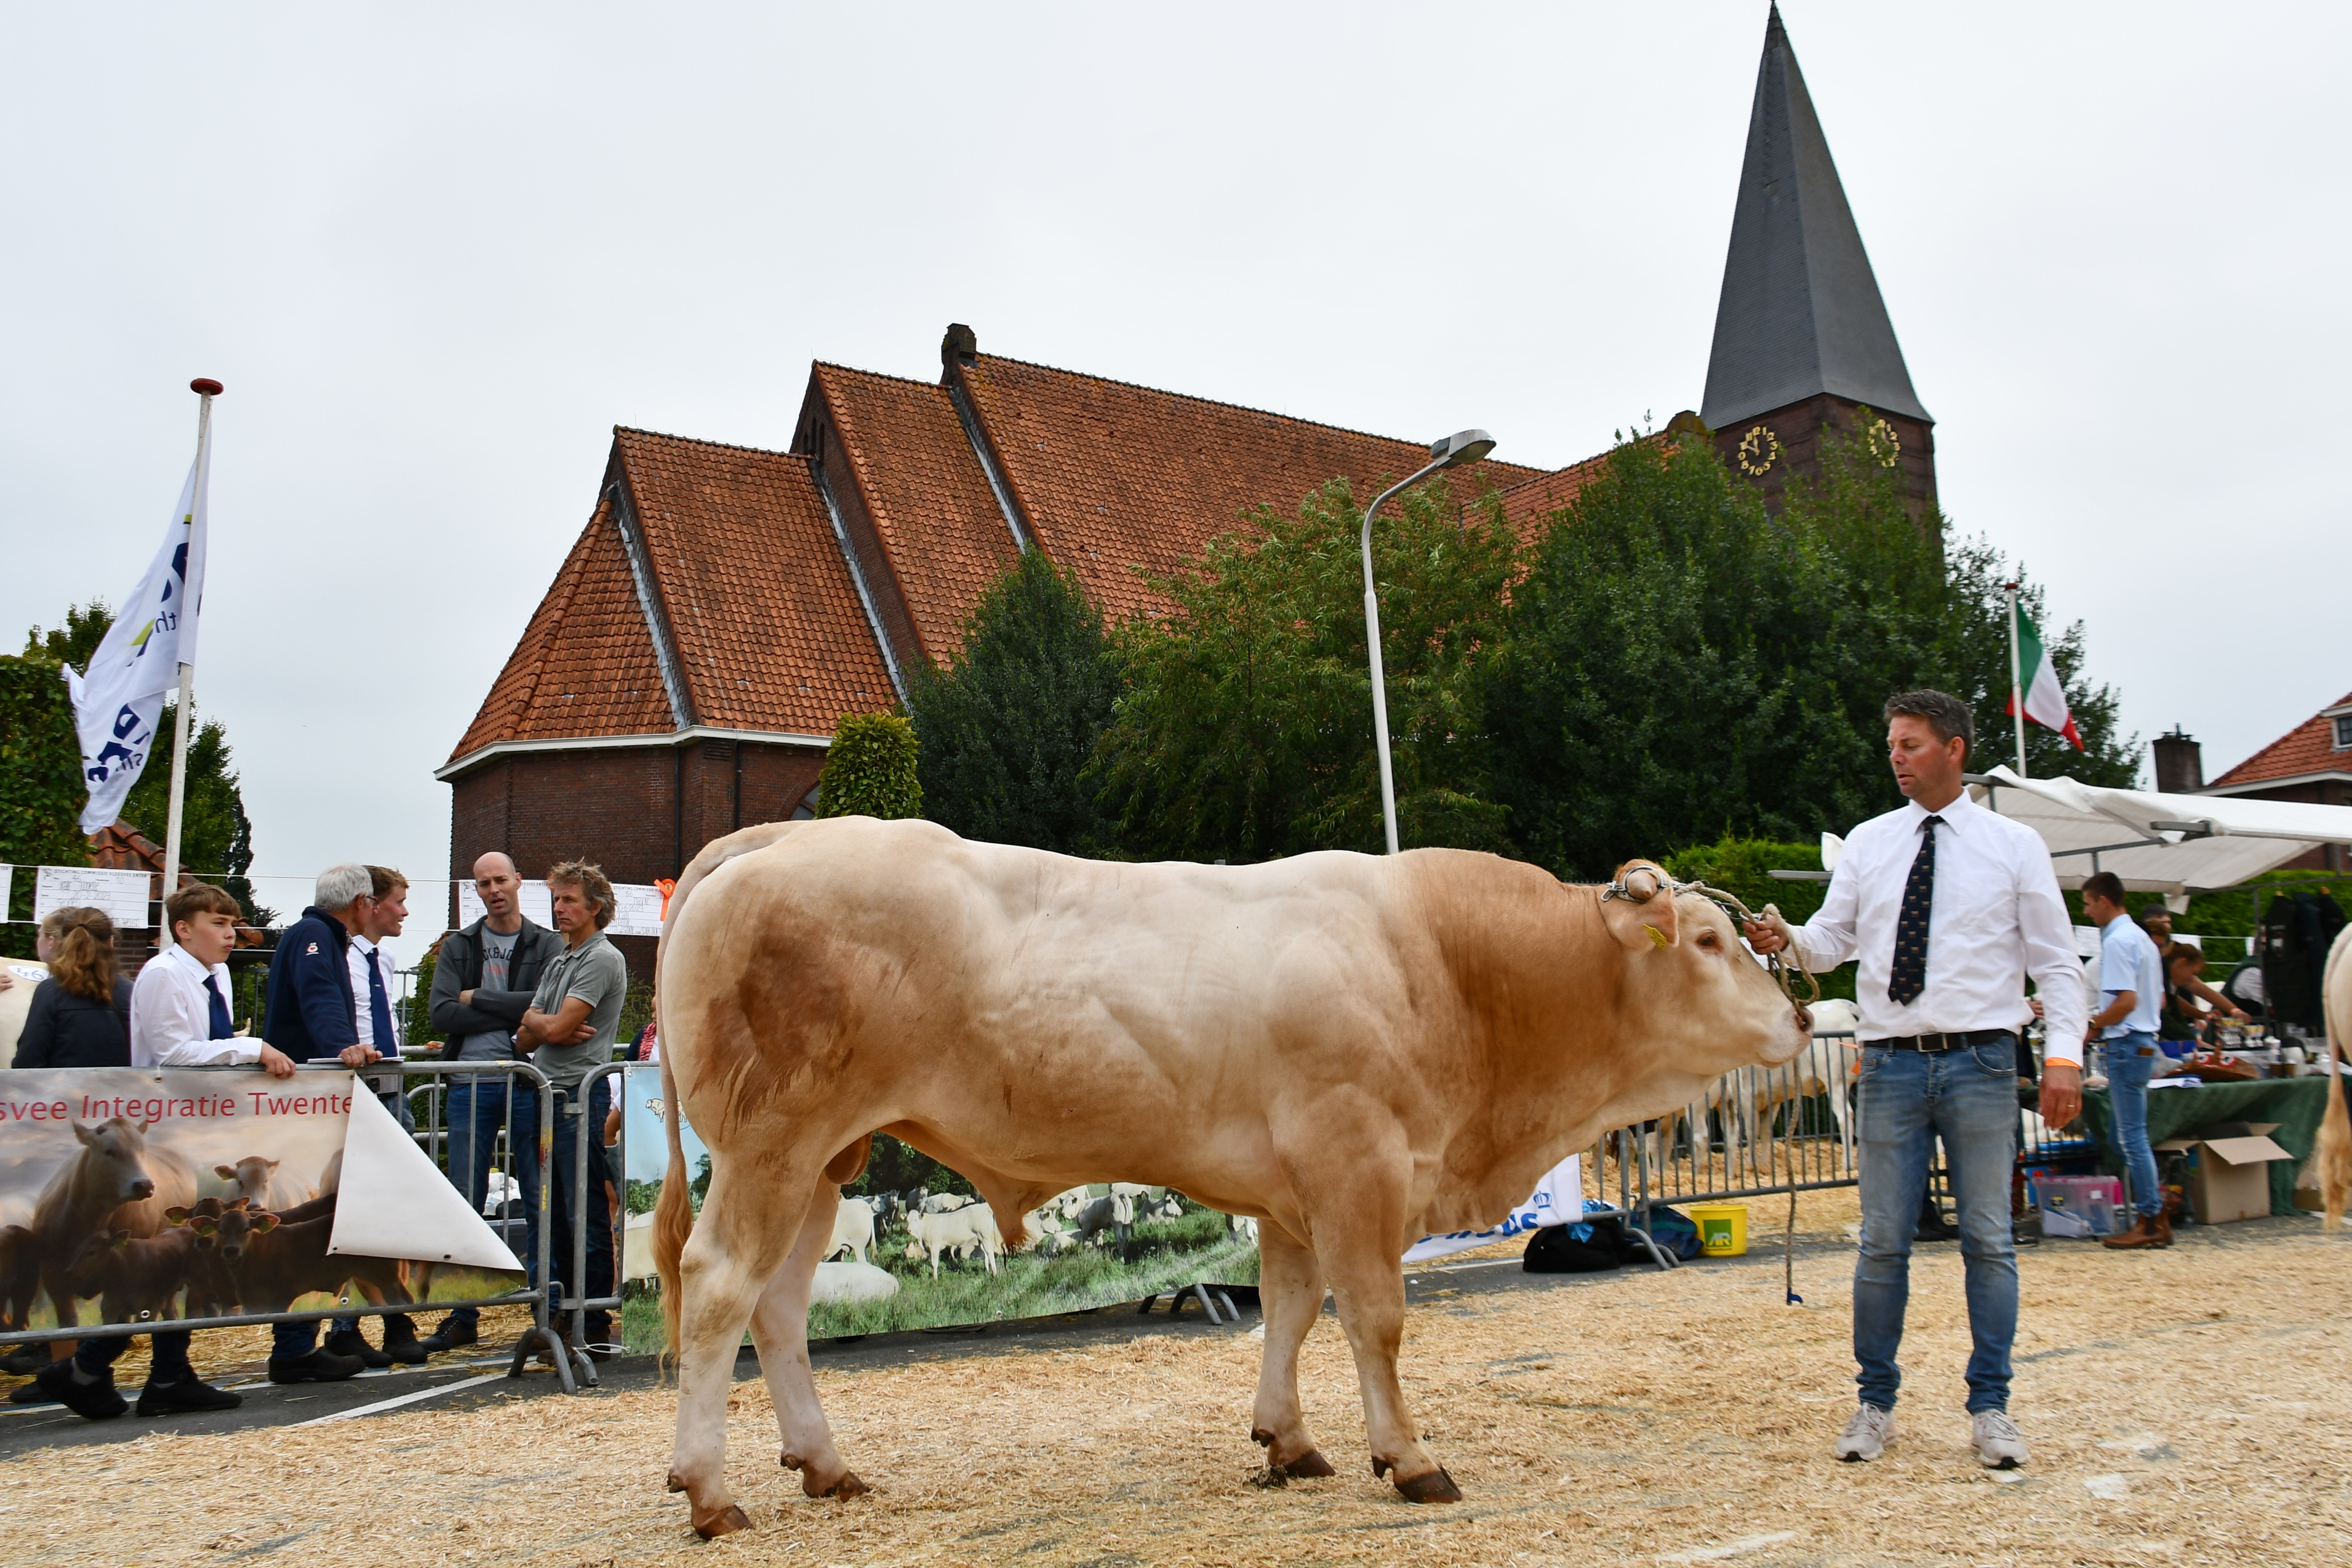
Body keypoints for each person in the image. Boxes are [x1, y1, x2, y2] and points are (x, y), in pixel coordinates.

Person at [1745, 690, 2086, 1471]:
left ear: (1954, 749)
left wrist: (2064, 1054)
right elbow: (1830, 942)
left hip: (1983, 1059)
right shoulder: (1868, 841)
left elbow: (2058, 962)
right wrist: (1783, 937)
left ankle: (1992, 1406)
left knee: (1990, 1240)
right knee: (1881, 1243)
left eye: (1910, 744)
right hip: (1891, 1060)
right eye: (1892, 743)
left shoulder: (2015, 843)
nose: (1895, 756)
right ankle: (1875, 1402)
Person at [17, 885, 299, 1421]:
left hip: (187, 1131)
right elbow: (175, 1054)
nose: (230, 934)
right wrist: (251, 1047)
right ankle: (113, 1368)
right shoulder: (165, 976)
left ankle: (105, 1369)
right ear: (183, 928)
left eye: (233, 924)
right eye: (218, 922)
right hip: (165, 1135)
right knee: (165, 1255)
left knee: (176, 1256)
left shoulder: (210, 976)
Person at [415, 852, 571, 1356]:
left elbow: (546, 1010)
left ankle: (545, 1309)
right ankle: (463, 1313)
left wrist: (474, 997)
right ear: (475, 891)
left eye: (500, 880)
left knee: (539, 1194)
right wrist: (515, 1010)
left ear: (519, 882)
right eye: (483, 883)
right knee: (465, 1196)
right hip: (470, 1082)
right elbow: (441, 1014)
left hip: (528, 1081)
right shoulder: (460, 944)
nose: (493, 889)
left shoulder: (545, 943)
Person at [255, 863, 381, 1384]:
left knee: (316, 1222)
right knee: (311, 1225)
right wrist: (340, 1049)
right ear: (357, 902)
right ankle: (293, 1344)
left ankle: (302, 1338)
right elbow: (320, 996)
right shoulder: (314, 936)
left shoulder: (313, 934)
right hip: (307, 1099)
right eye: (371, 901)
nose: (374, 910)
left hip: (304, 1097)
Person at [513, 860, 628, 1357]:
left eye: (567, 900)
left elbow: (554, 1031)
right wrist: (541, 1022)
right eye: (555, 899)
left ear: (594, 908)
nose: (557, 908)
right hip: (546, 1092)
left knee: (582, 1210)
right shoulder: (561, 959)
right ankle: (564, 1307)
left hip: (578, 1095)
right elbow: (524, 1033)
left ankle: (593, 1316)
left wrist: (542, 1024)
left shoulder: (602, 959)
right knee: (551, 1211)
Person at [321, 866, 430, 1369]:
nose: (404, 911)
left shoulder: (382, 960)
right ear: (371, 904)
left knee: (397, 1207)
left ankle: (394, 1318)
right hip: (356, 1090)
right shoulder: (335, 957)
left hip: (389, 1086)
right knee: (357, 1210)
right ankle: (346, 1324)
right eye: (398, 902)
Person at [2083, 874, 2171, 1250]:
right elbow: (2159, 1000)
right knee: (2128, 1137)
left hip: (2126, 1043)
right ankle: (2153, 1211)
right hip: (2142, 1041)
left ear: (2104, 901)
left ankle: (2151, 1216)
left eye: (2087, 904)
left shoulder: (2118, 941)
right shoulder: (2143, 940)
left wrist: (2089, 1026)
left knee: (2131, 1138)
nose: (2086, 912)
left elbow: (2124, 1003)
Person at [10, 908, 131, 1070]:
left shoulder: (50, 992)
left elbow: (28, 1062)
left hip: (61, 1093)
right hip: (118, 1093)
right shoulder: (132, 992)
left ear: (67, 942)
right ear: (111, 942)